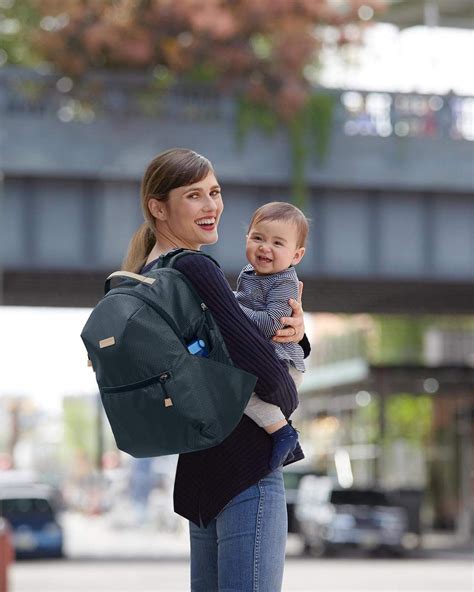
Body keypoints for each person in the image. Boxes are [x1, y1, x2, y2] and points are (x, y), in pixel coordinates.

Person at [122, 148, 310, 591]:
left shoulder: (145, 274)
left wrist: (297, 337)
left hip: (200, 473)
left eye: (215, 192)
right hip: (245, 468)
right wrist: (285, 398)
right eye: (195, 195)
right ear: (159, 207)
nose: (212, 207)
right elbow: (262, 371)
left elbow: (215, 350)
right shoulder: (194, 267)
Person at [236, 201, 309, 473]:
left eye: (278, 243)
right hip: (266, 361)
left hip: (282, 365)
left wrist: (228, 307)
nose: (265, 247)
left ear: (296, 255)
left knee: (238, 391)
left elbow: (269, 324)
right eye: (258, 238)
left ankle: (283, 433)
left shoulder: (284, 282)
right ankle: (280, 433)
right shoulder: (248, 273)